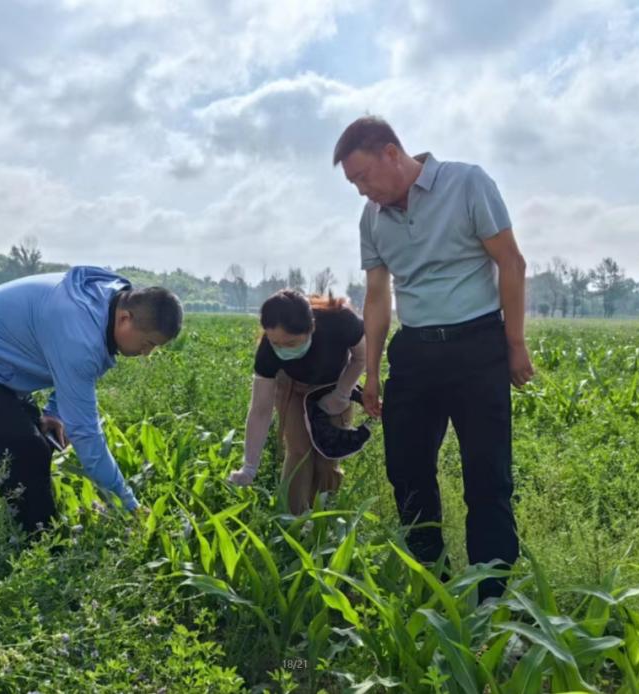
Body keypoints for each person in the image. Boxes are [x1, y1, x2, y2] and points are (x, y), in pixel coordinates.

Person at [334, 115, 534, 600]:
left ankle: (492, 594)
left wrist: (514, 344)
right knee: (406, 467)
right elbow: (378, 297)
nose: (362, 191)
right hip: (416, 351)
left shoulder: (466, 183)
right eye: (353, 183)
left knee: (487, 472)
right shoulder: (373, 219)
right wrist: (375, 372)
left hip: (477, 346)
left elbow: (511, 262)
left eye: (363, 177)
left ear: (391, 153)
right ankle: (432, 580)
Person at [0, 266, 182, 533]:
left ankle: (29, 519)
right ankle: (40, 543)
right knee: (25, 452)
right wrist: (129, 506)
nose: (147, 353)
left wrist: (54, 411)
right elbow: (86, 434)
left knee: (41, 442)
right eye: (148, 342)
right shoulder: (80, 333)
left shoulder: (110, 298)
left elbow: (64, 360)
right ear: (125, 318)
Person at [228, 290, 366, 514]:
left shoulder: (339, 321)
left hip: (335, 384)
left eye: (291, 343)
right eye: (276, 343)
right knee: (298, 451)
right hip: (293, 387)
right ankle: (293, 520)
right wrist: (249, 466)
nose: (283, 349)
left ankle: (322, 516)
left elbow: (362, 357)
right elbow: (260, 410)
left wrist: (341, 393)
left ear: (311, 327)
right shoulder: (267, 352)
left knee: (327, 456)